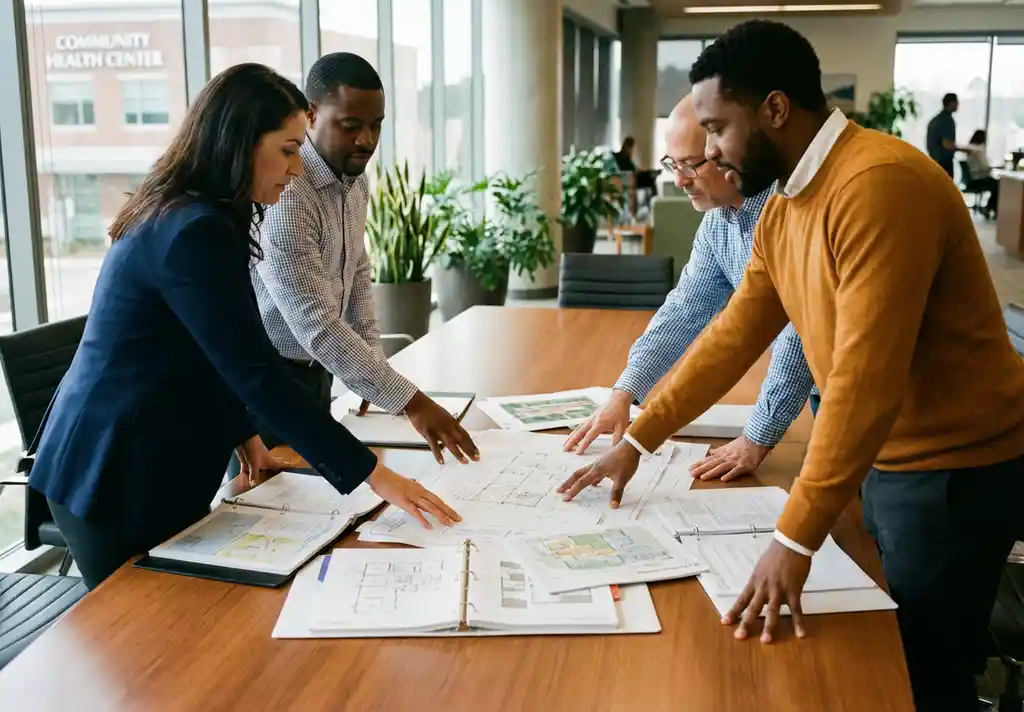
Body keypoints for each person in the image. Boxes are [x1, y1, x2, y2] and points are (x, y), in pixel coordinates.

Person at [558, 20, 1024, 711]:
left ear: (775, 110)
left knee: (918, 674)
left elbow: (865, 381)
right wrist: (637, 438)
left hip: (953, 470)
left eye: (717, 129)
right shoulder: (787, 204)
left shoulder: (877, 185)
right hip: (890, 460)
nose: (709, 150)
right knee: (883, 654)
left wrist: (793, 538)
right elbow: (732, 336)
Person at [28, 63, 460, 590]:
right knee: (142, 644)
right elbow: (257, 372)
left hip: (155, 455)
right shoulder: (194, 230)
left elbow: (217, 348)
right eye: (286, 149)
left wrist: (244, 434)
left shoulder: (211, 214)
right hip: (114, 470)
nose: (297, 169)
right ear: (239, 143)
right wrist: (376, 475)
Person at [564, 93, 817, 483]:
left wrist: (757, 437)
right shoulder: (718, 221)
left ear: (728, 151)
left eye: (689, 165)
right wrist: (626, 391)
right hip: (824, 393)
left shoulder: (787, 212)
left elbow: (796, 335)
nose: (679, 180)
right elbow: (683, 310)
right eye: (672, 164)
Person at [250, 52, 478, 466]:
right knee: (279, 503)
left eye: (376, 126)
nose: (367, 140)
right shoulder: (287, 197)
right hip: (269, 379)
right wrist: (409, 401)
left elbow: (356, 272)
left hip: (316, 372)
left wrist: (373, 374)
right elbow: (315, 322)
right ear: (311, 115)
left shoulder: (354, 180)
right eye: (351, 126)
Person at [925, 92, 966, 178]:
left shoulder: (935, 120)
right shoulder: (947, 121)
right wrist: (966, 149)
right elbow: (947, 144)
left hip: (933, 161)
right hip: (944, 163)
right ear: (951, 103)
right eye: (956, 102)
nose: (958, 104)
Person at [965, 128, 999, 218]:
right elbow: (985, 167)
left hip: (973, 179)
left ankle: (989, 207)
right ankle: (990, 207)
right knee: (999, 185)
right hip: (979, 179)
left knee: (996, 184)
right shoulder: (978, 151)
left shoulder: (971, 149)